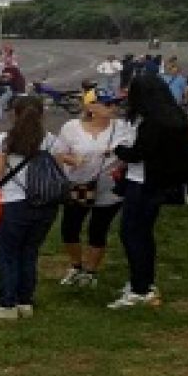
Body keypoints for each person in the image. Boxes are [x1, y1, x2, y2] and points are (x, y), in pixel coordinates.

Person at [109, 76, 188, 309]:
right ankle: (145, 281)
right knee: (144, 234)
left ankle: (140, 289)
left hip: (143, 182)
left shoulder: (152, 122)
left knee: (131, 234)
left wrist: (117, 148)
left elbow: (138, 153)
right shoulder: (177, 118)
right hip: (161, 184)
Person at [0, 96, 59, 320]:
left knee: (8, 255)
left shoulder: (5, 139)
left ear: (14, 113)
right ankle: (25, 301)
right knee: (29, 252)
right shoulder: (50, 140)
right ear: (42, 115)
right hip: (45, 204)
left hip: (14, 204)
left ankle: (7, 304)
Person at [53, 89, 131, 287]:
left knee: (98, 229)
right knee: (70, 228)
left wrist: (121, 162)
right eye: (107, 103)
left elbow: (133, 153)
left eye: (114, 103)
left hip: (110, 188)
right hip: (79, 185)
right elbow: (59, 153)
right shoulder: (71, 128)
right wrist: (73, 159)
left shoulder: (123, 127)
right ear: (90, 107)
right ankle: (76, 265)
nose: (113, 107)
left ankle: (91, 271)